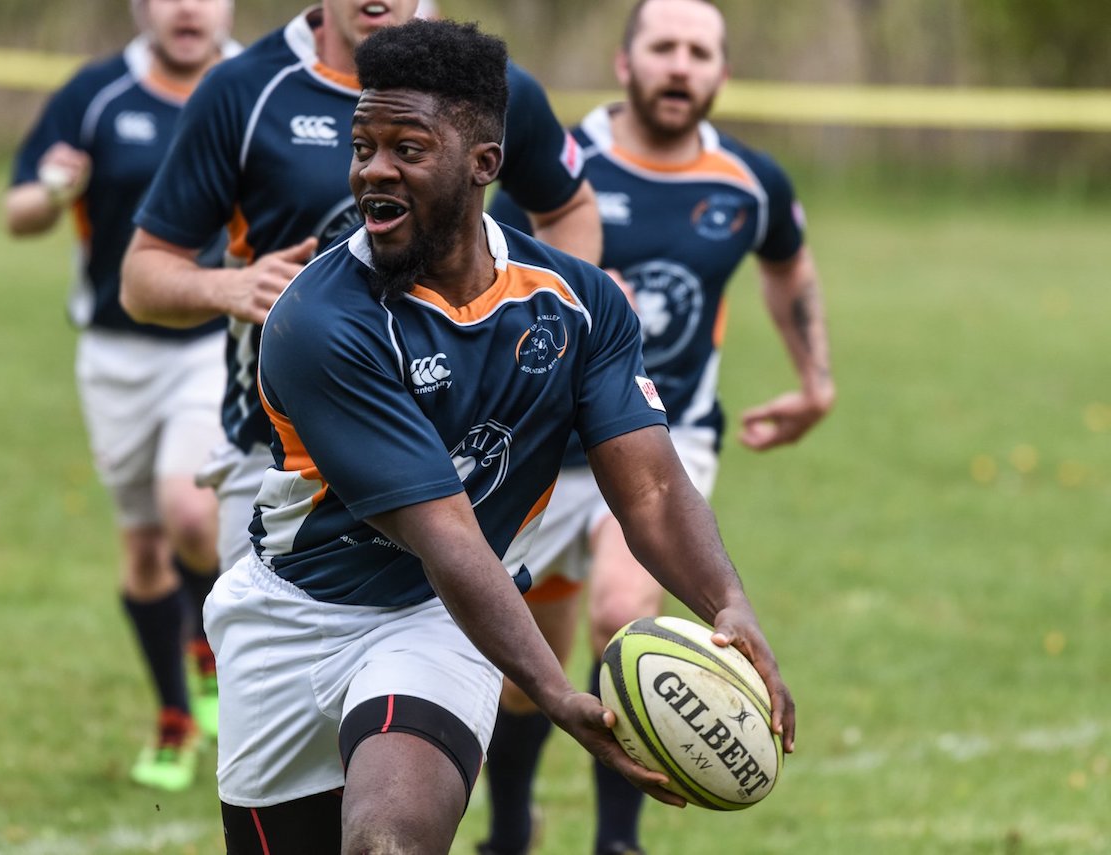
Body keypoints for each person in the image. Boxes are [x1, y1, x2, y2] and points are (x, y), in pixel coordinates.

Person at [202, 18, 795, 854]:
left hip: (437, 616)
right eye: (363, 145)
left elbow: (653, 488)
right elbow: (444, 530)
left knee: (387, 842)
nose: (374, 168)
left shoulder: (579, 304)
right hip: (291, 617)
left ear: (484, 165)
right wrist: (556, 692)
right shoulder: (319, 321)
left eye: (408, 147)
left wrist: (729, 605)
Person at [480, 1, 834, 852]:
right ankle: (509, 832)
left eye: (700, 52)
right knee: (526, 669)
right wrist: (579, 307)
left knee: (622, 610)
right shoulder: (558, 166)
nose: (682, 65)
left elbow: (789, 266)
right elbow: (488, 285)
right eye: (664, 47)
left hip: (667, 440)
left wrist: (814, 381)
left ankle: (617, 838)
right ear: (624, 60)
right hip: (544, 444)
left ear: (722, 71)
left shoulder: (750, 182)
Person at [119, 0, 602, 580]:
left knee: (471, 660)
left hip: (456, 454)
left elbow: (569, 206)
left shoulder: (488, 87)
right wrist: (229, 286)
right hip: (279, 462)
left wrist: (547, 323)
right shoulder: (243, 89)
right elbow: (141, 279)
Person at [3, 0, 239, 792]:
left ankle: (210, 649)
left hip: (215, 341)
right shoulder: (96, 93)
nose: (187, 7)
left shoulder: (254, 86)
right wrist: (52, 189)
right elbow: (19, 216)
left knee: (191, 514)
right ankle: (176, 714)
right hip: (113, 353)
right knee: (143, 547)